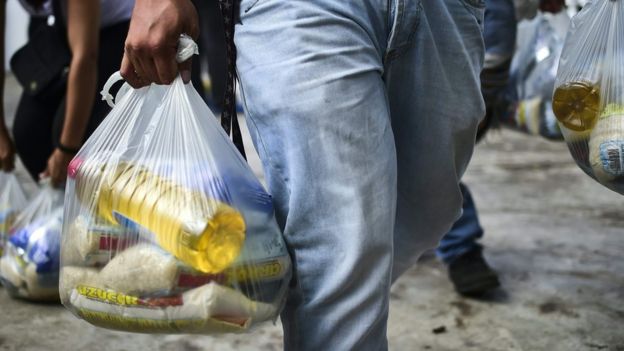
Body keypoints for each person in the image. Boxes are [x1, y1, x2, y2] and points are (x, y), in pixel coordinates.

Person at [120, 0, 486, 349]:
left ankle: (317, 286)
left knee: (428, 209)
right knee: (340, 248)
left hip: (445, 11)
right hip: (304, 11)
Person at [0, 0, 134, 185]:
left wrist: (66, 149)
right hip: (59, 25)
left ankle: (92, 197)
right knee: (28, 134)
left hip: (115, 28)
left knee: (68, 134)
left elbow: (85, 57)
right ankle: (59, 204)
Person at [436, 0, 517, 297]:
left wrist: (479, 103)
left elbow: (493, 55)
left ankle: (460, 250)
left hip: (457, 82)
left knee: (435, 165)